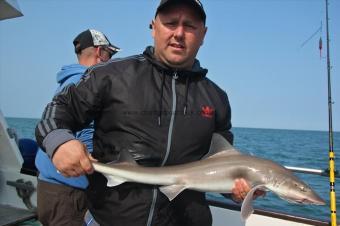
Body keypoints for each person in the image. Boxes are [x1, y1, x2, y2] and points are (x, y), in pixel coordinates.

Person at [35, 1, 262, 226]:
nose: (179, 33)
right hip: (111, 219)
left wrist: (236, 190)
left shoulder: (216, 97)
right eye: (171, 23)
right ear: (154, 27)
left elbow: (221, 163)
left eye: (190, 25)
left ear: (203, 34)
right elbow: (57, 111)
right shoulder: (111, 75)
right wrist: (59, 141)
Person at [35, 29, 120, 226]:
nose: (112, 60)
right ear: (100, 52)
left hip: (50, 185)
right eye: (110, 54)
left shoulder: (69, 81)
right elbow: (88, 136)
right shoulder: (85, 83)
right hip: (68, 192)